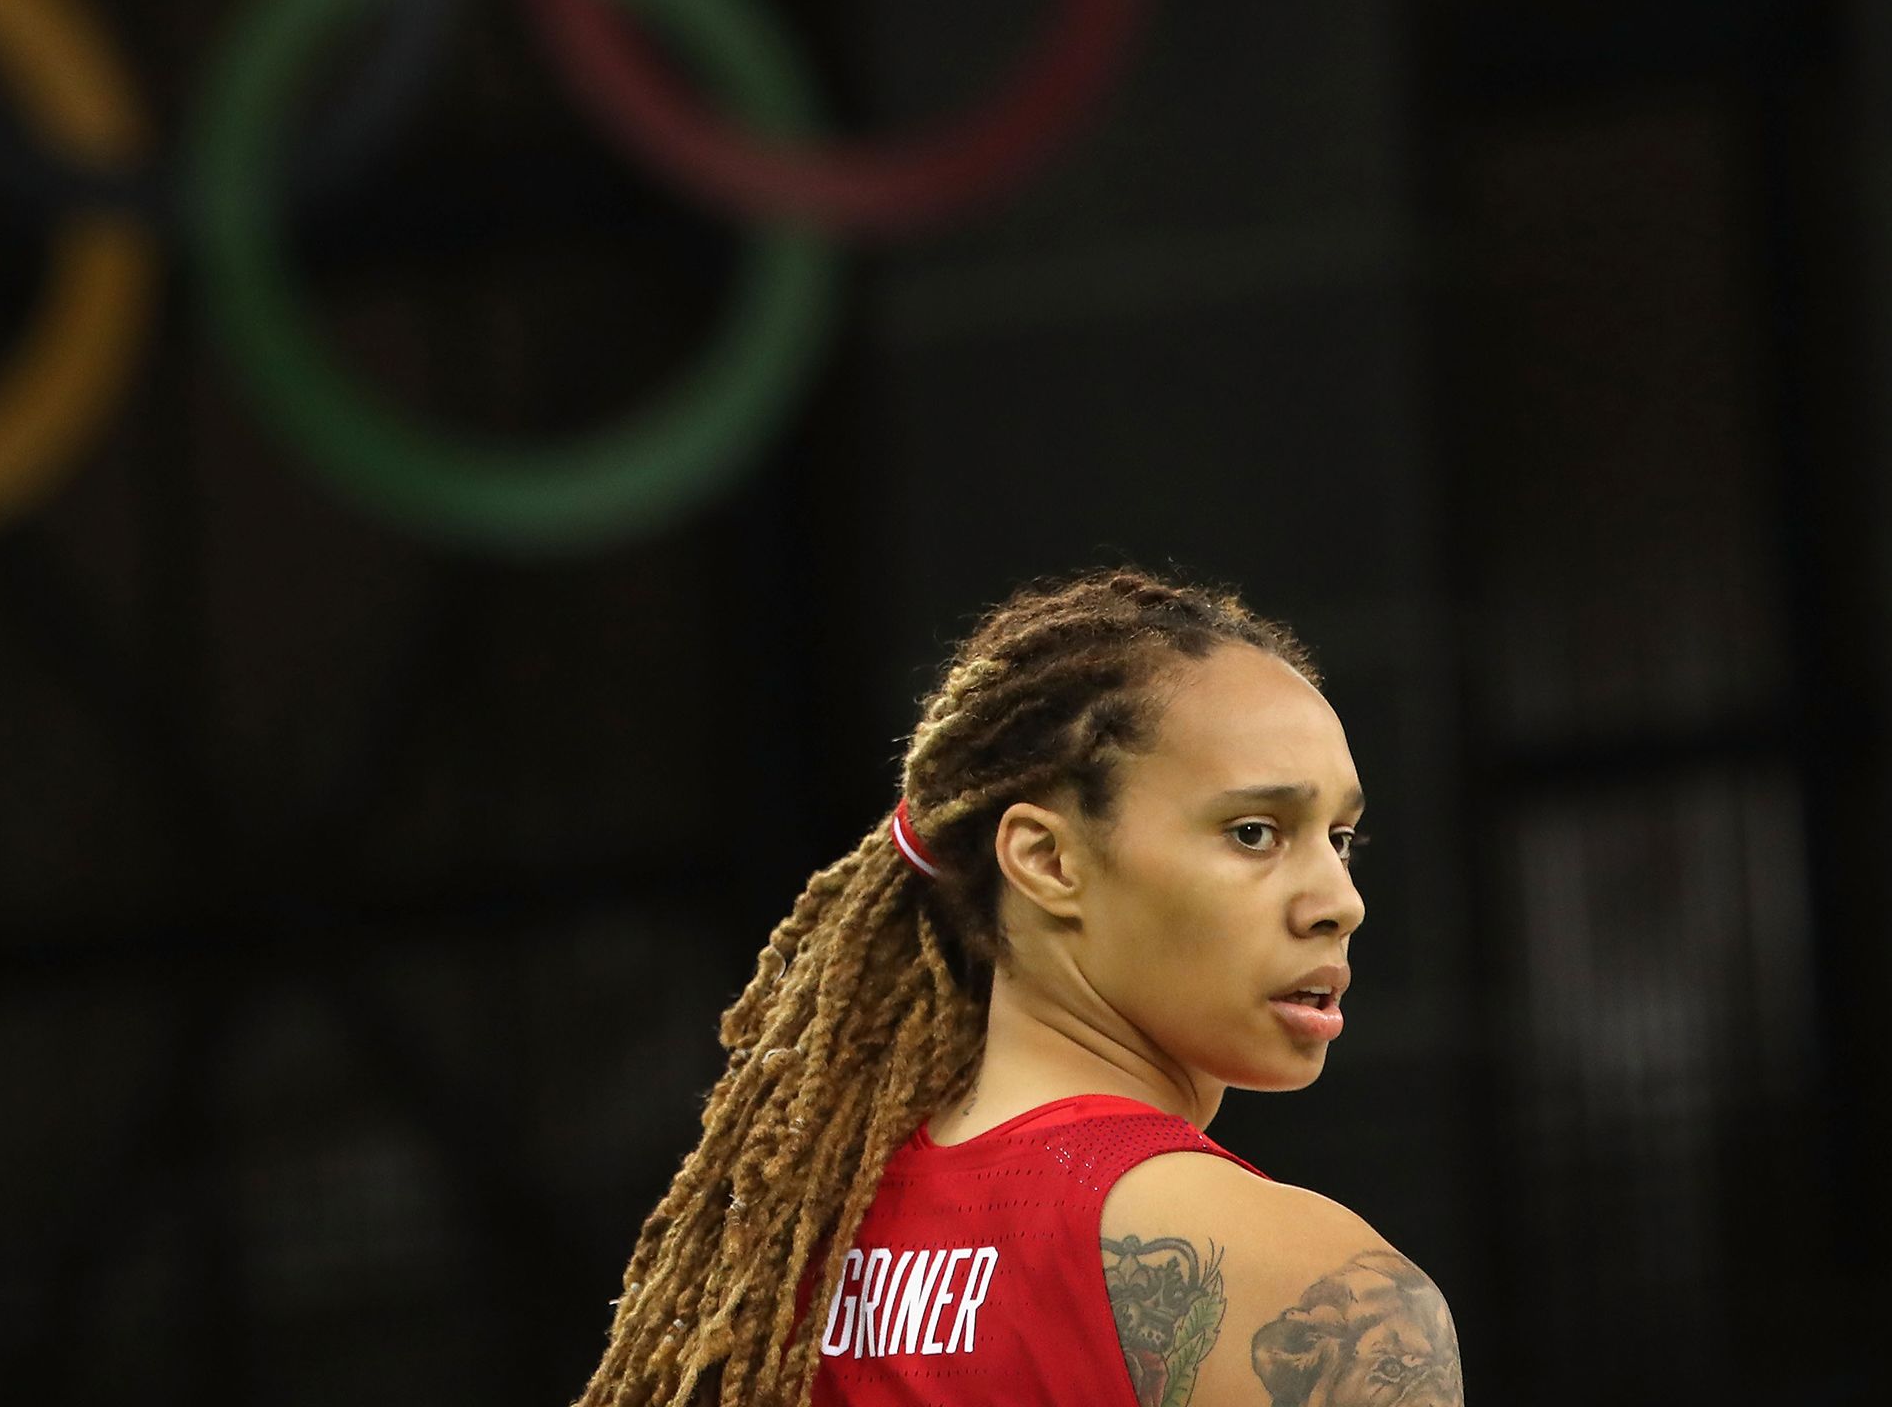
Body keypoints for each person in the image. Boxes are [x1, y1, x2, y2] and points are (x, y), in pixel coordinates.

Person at [573, 570, 1462, 1407]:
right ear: (1047, 860)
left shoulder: (791, 1255)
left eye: (1340, 839)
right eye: (1255, 832)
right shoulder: (1314, 1285)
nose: (1339, 903)